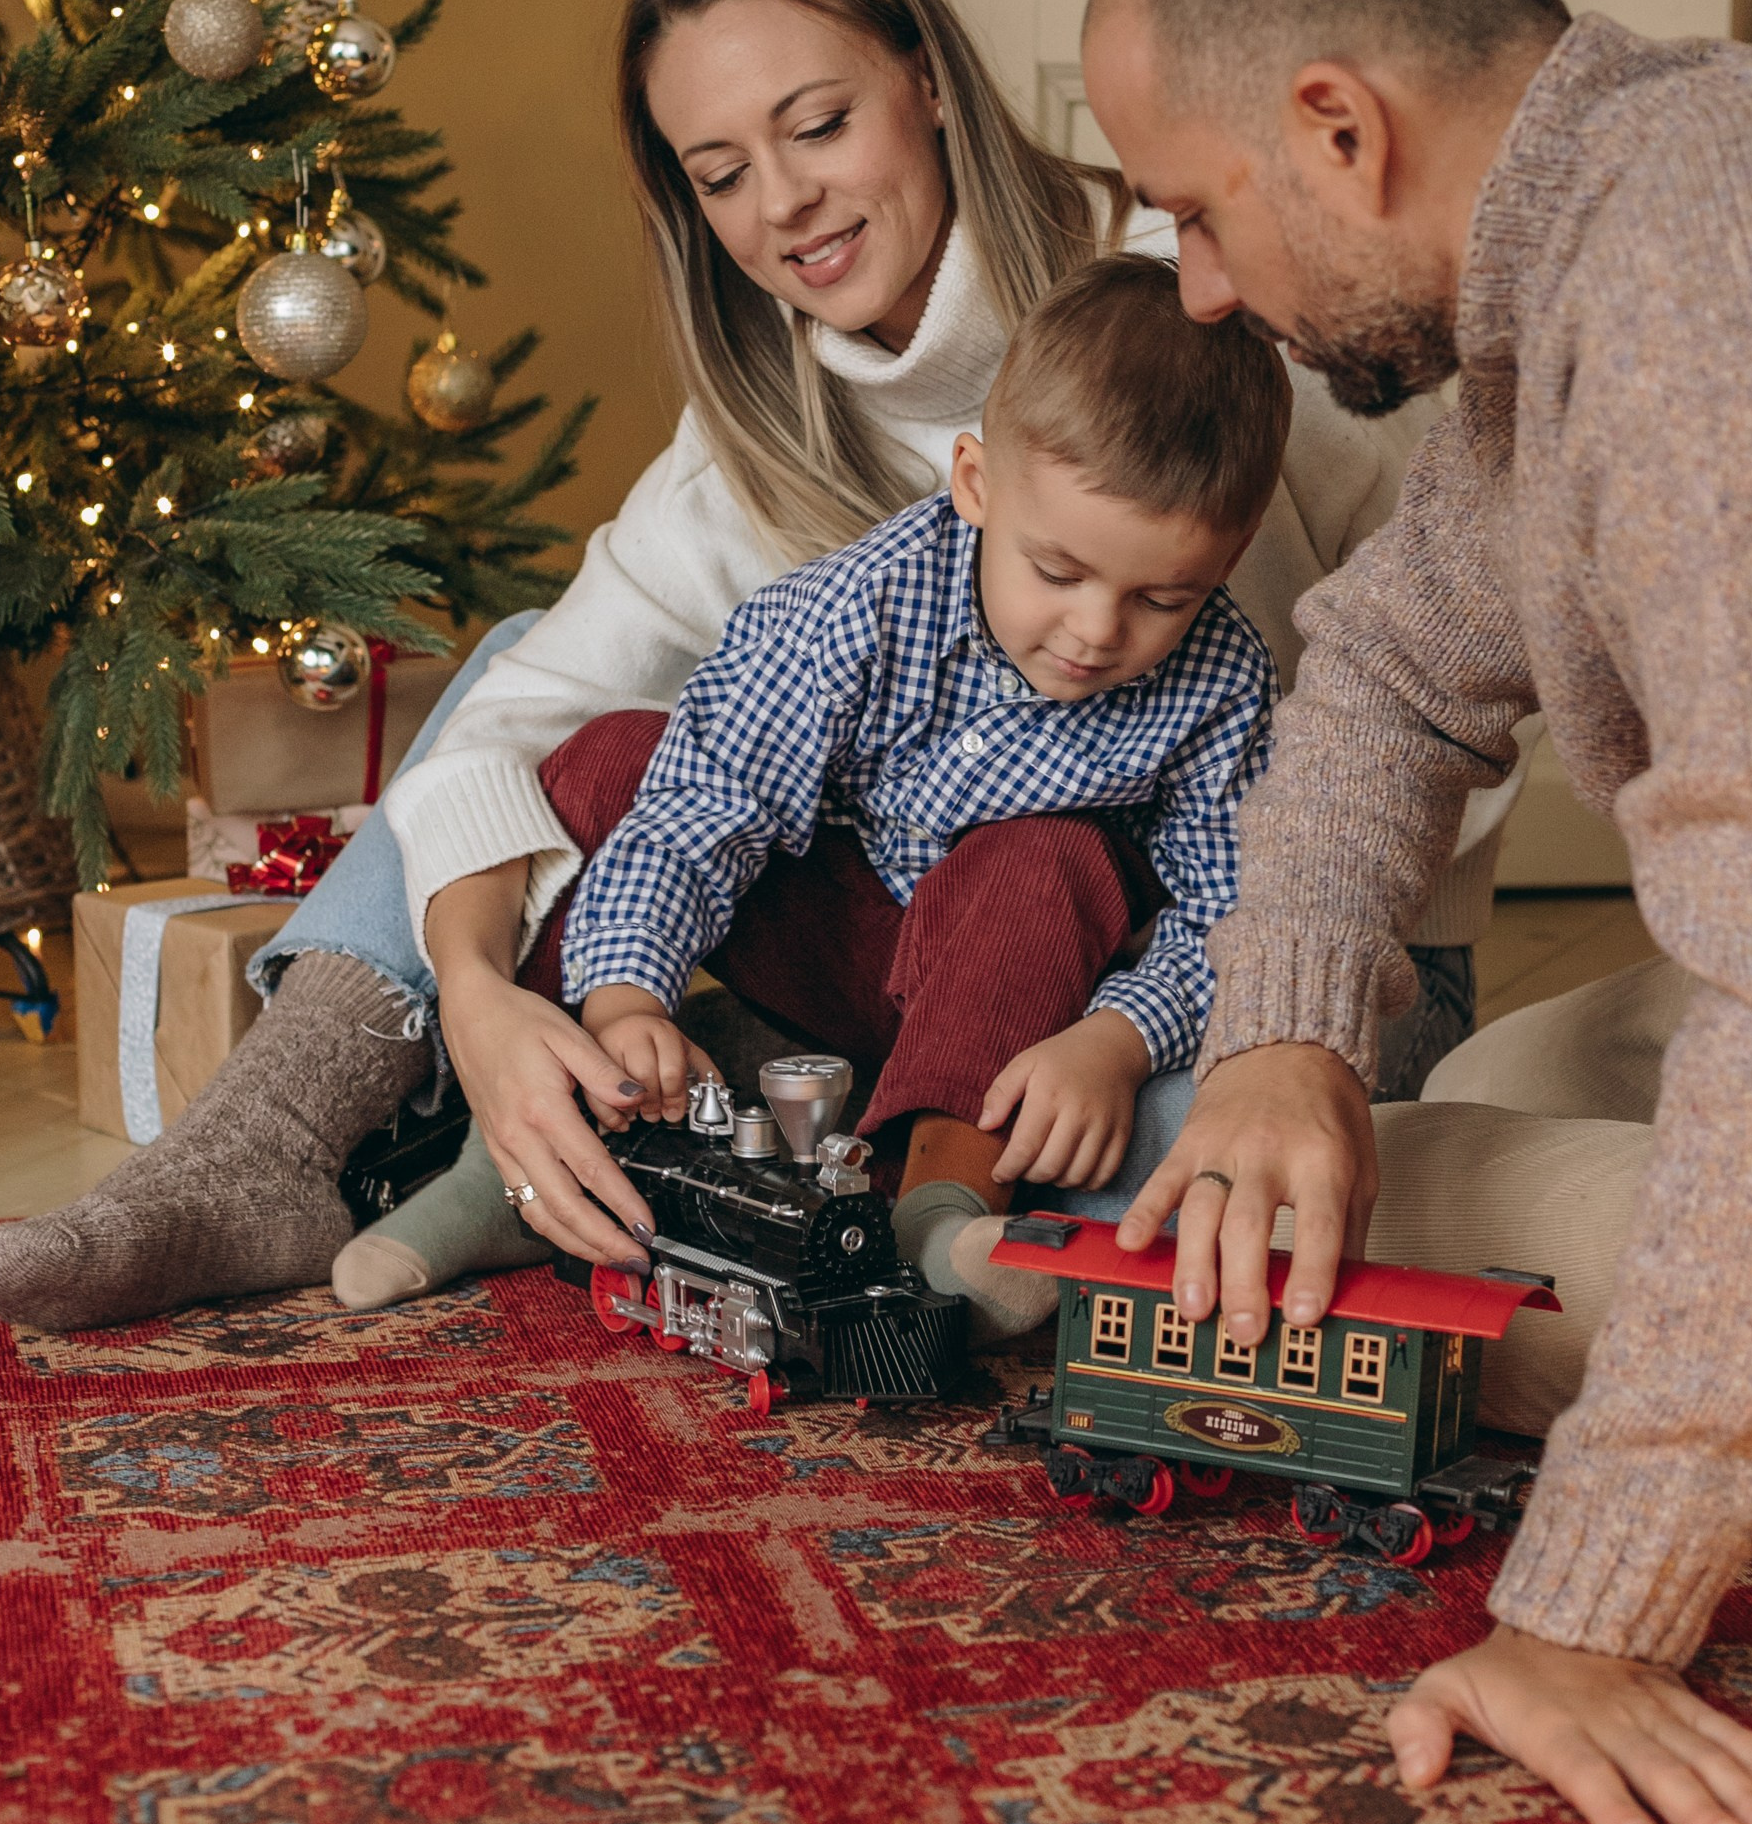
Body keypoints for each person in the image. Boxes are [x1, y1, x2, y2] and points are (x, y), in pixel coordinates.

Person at [0, 0, 1488, 1337]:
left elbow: (1391, 726)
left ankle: (849, 1167)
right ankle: (272, 1143)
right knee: (541, 684)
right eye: (719, 173)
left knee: (1148, 1152)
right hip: (916, 943)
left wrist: (1209, 1025)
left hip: (1260, 971)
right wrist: (484, 1003)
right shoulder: (756, 428)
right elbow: (533, 730)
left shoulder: (1209, 307)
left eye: (818, 125)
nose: (784, 205)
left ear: (928, 78)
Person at [1076, 0, 1752, 1824]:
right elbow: (1387, 674)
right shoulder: (1630, 198)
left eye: (1195, 213)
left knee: (1395, 1208)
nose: (1196, 290)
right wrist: (1280, 1036)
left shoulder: (1720, 322)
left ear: (1336, 129)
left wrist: (1587, 1616)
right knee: (1455, 1083)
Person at [516, 254, 1286, 1337]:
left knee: (1048, 852)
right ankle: (547, 1139)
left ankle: (938, 1214)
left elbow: (1235, 915)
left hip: (1013, 997)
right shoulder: (859, 606)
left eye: (1162, 598)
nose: (1096, 631)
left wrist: (1116, 1039)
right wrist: (627, 998)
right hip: (838, 942)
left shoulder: (1224, 680)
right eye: (1056, 573)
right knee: (614, 761)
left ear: (1228, 557)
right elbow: (705, 807)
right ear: (975, 483)